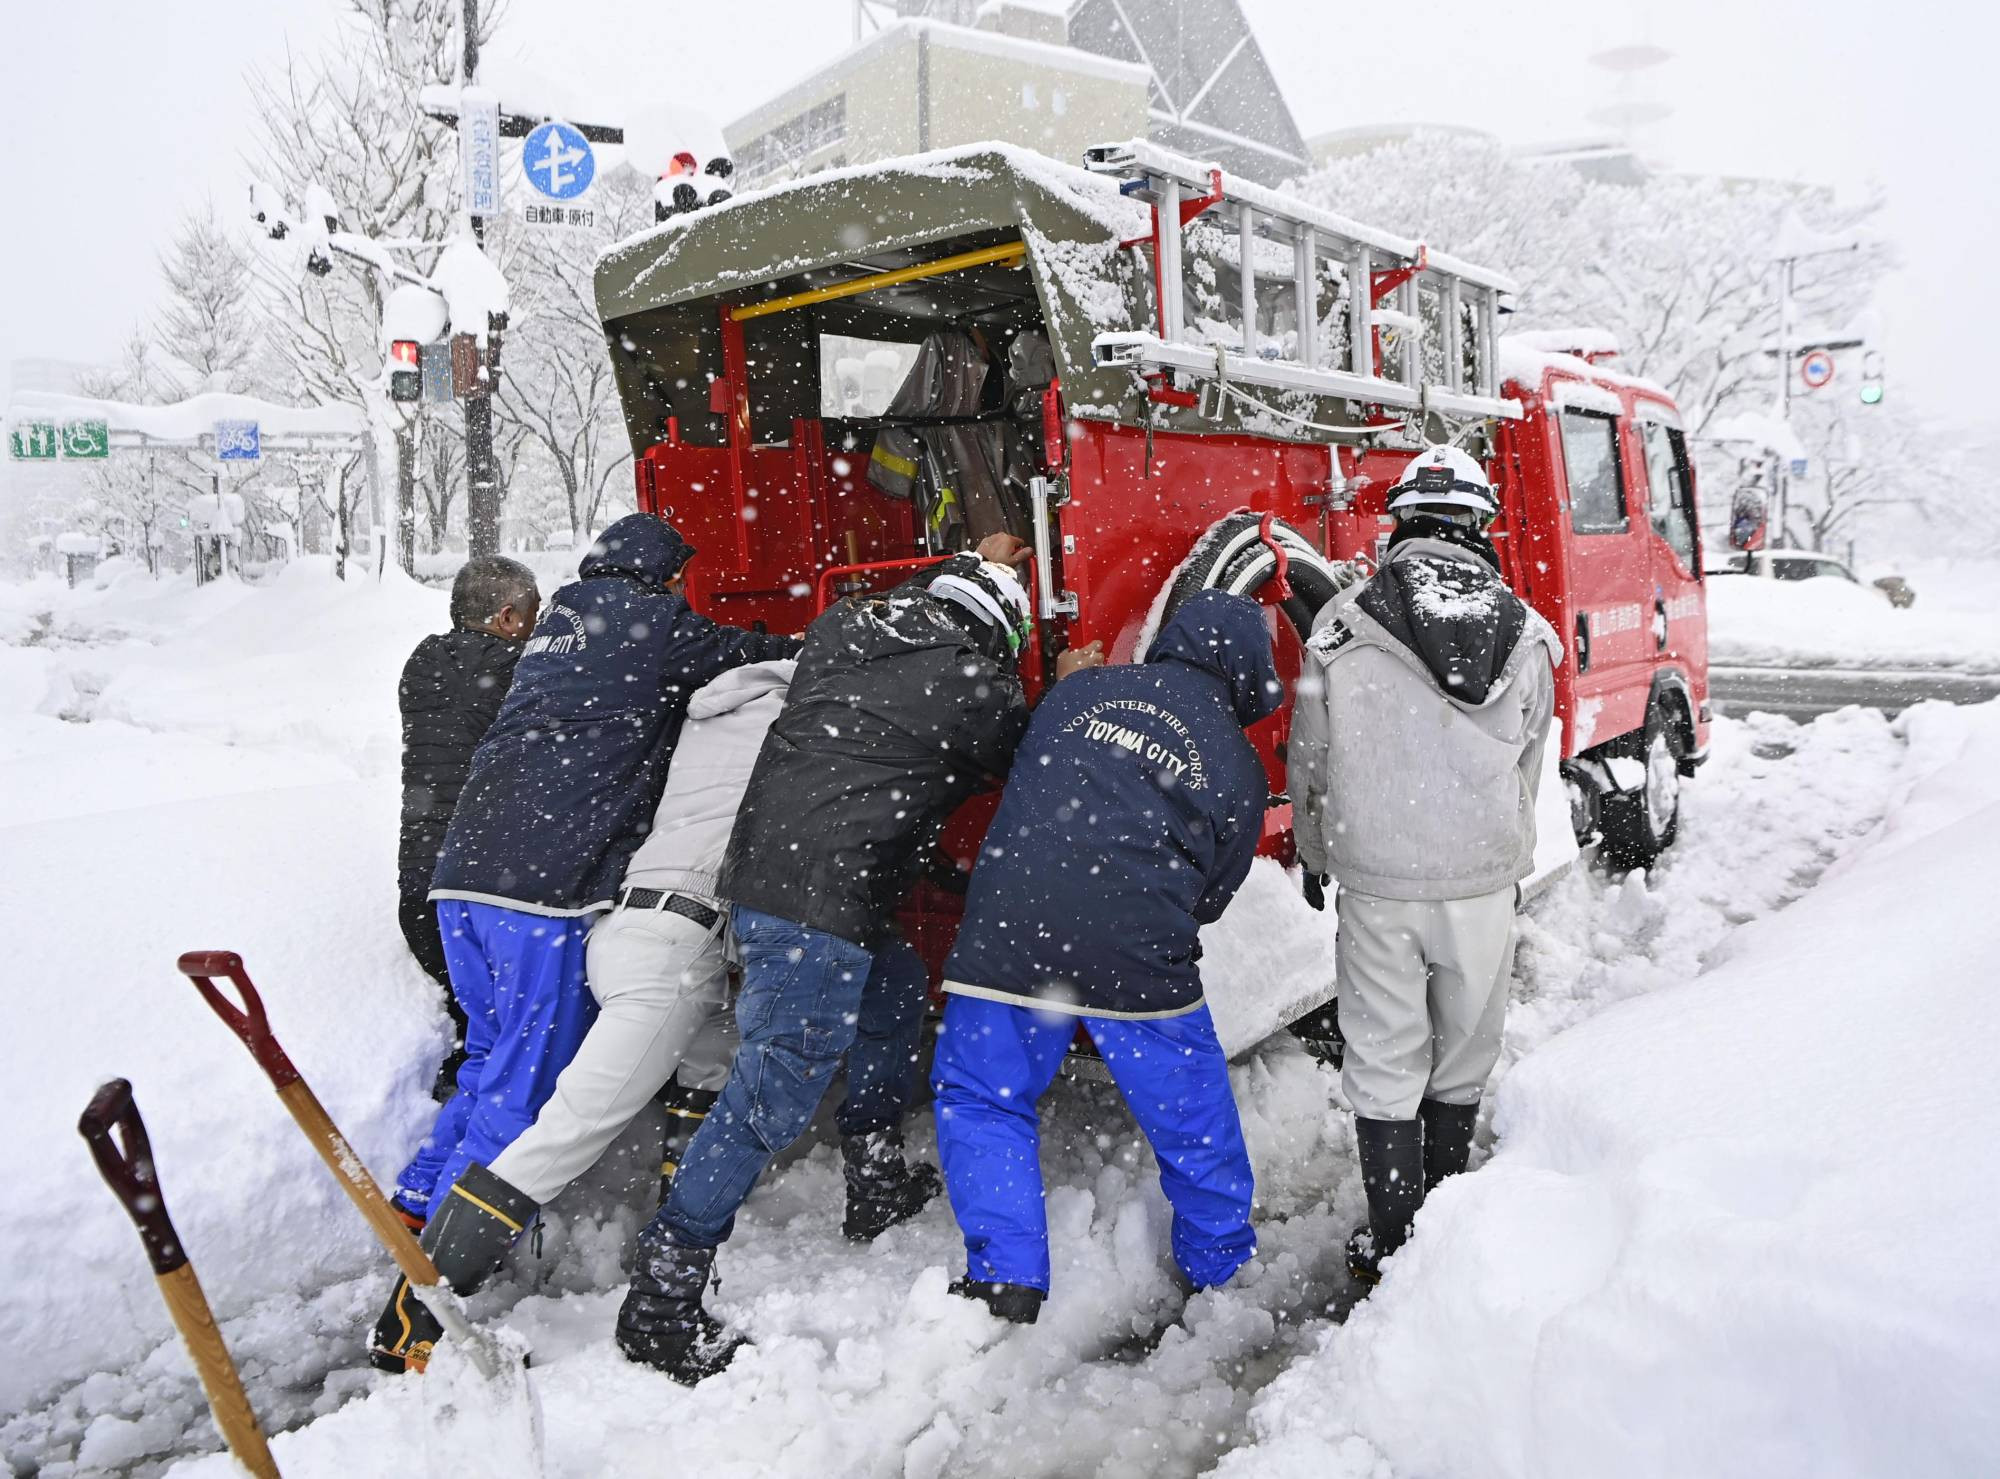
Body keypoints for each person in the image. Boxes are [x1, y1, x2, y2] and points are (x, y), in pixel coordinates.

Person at [615, 534, 1105, 1384]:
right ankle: (662, 1293)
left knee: (895, 989)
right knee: (771, 1093)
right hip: (820, 901)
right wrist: (1066, 688)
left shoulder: (846, 625)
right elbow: (1035, 760)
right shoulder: (971, 684)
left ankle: (873, 1171)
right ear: (993, 633)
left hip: (775, 872)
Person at [371, 513, 800, 1373]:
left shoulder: (559, 625)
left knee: (491, 1057)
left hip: (459, 877)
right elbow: (753, 650)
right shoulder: (646, 619)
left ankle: (415, 1207)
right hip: (539, 889)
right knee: (529, 1094)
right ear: (658, 576)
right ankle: (417, 1315)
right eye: (677, 580)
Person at [932, 590, 1280, 1324]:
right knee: (1192, 1112)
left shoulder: (1078, 692)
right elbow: (1211, 898)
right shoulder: (1237, 762)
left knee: (982, 1096)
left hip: (1006, 932)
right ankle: (1219, 1266)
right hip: (1135, 951)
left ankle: (1005, 1278)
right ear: (1250, 673)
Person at [1287, 445, 1561, 1287]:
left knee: (1382, 1054)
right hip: (1481, 881)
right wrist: (1498, 846)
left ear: (1398, 520)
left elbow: (1312, 759)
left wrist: (1317, 849)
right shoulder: (1529, 633)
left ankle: (1397, 1237)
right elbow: (1529, 761)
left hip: (1377, 880)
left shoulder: (1340, 625)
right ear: (1481, 524)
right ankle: (1446, 1225)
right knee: (1465, 1051)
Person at [396, 556, 540, 1099]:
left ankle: (455, 1125)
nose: (537, 623)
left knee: (477, 1029)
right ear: (507, 618)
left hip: (420, 889)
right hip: (487, 887)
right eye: (533, 613)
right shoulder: (518, 670)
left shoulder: (422, 662)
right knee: (519, 1034)